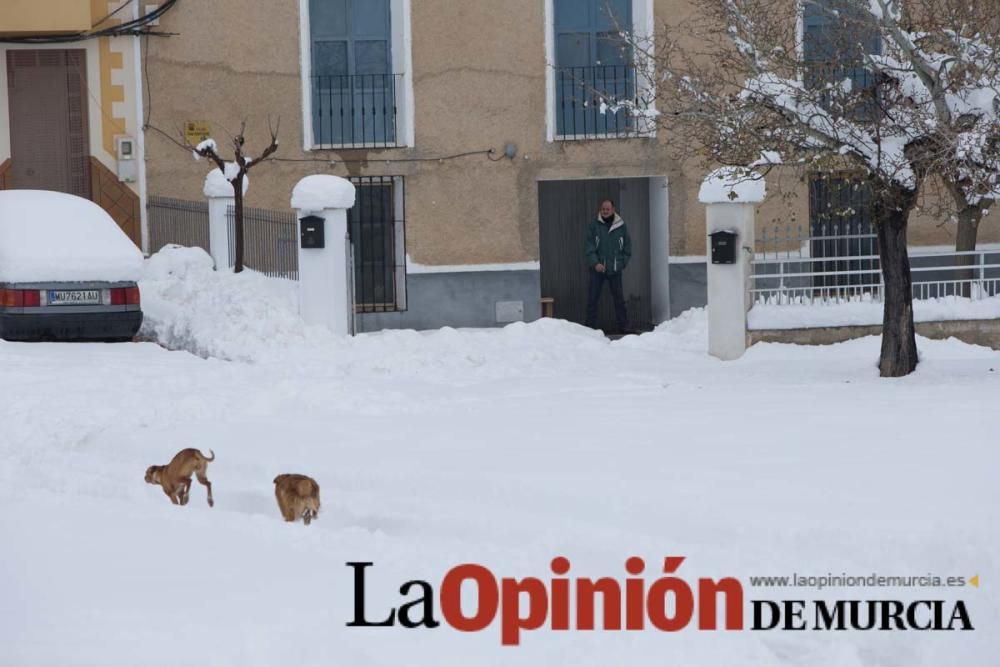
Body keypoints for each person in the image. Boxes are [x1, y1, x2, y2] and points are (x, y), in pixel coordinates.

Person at [584, 198, 631, 333]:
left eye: (607, 209)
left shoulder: (621, 226)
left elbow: (628, 247)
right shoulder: (594, 225)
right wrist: (595, 263)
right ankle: (589, 327)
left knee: (619, 299)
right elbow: (589, 247)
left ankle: (623, 326)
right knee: (592, 299)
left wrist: (622, 263)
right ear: (600, 210)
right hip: (598, 270)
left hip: (615, 269)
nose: (605, 211)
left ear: (613, 210)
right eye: (603, 209)